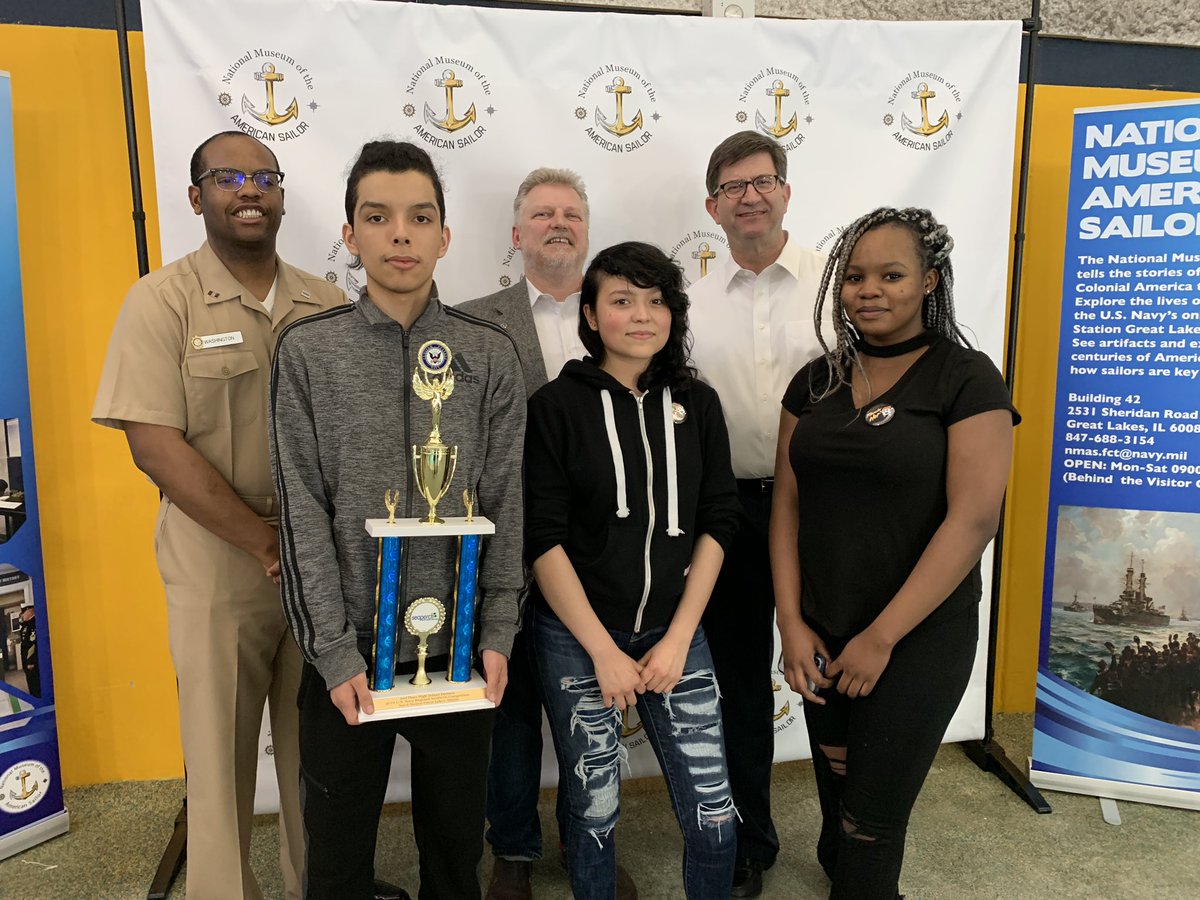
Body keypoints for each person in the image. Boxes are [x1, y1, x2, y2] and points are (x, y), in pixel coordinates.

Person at [270, 140, 527, 900]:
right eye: (378, 217)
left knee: (456, 849)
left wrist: (498, 631)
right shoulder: (309, 353)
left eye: (421, 217)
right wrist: (334, 651)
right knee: (340, 853)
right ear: (350, 234)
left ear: (446, 235)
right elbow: (302, 512)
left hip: (458, 655)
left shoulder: (490, 354)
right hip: (350, 655)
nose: (401, 234)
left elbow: (507, 504)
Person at [92, 131, 345, 900]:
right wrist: (266, 542)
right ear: (197, 196)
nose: (249, 190)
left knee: (321, 752)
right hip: (216, 555)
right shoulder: (160, 300)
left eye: (264, 177)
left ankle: (322, 886)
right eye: (228, 177)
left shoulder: (326, 303)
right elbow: (154, 446)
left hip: (323, 557)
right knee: (219, 748)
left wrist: (315, 547)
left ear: (281, 195)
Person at [770, 207, 1018, 899]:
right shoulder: (813, 382)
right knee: (841, 792)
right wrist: (790, 622)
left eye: (891, 274)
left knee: (872, 824)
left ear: (930, 282)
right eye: (853, 276)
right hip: (822, 628)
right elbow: (786, 505)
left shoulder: (967, 380)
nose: (868, 290)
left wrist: (881, 636)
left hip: (915, 638)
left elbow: (973, 521)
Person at [524, 241, 741, 899]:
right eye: (622, 300)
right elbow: (543, 538)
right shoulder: (556, 407)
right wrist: (602, 650)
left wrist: (679, 638)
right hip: (577, 638)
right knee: (593, 818)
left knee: (714, 816)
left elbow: (720, 520)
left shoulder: (698, 405)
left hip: (677, 635)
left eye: (657, 301)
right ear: (591, 316)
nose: (641, 315)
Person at [460, 169, 636, 900]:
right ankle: (514, 849)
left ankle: (585, 835)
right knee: (508, 715)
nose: (558, 224)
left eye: (570, 214)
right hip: (504, 548)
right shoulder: (468, 321)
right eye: (542, 214)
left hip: (598, 555)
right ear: (517, 233)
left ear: (587, 232)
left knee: (588, 712)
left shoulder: (625, 316)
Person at [685, 130, 826, 896]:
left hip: (829, 512)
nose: (750, 194)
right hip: (734, 514)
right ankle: (748, 839)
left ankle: (850, 833)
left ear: (785, 191)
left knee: (837, 671)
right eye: (734, 185)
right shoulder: (691, 306)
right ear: (713, 206)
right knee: (737, 687)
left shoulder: (836, 287)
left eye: (763, 180)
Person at [18, 600, 38, 698]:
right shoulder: (26, 625)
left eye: (23, 612)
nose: (22, 615)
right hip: (27, 660)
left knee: (35, 684)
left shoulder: (33, 625)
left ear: (30, 611)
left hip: (32, 662)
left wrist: (30, 661)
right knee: (30, 682)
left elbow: (32, 644)